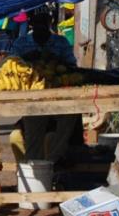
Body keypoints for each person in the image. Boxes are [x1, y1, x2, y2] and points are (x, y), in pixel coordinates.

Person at [9, 8, 78, 164]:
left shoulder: (61, 42)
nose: (40, 26)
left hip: (57, 94)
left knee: (69, 117)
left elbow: (72, 65)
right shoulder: (21, 44)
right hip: (32, 97)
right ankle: (36, 167)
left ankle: (53, 162)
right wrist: (26, 60)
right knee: (33, 125)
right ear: (31, 23)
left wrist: (56, 61)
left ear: (49, 22)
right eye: (37, 22)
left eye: (43, 22)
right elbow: (9, 65)